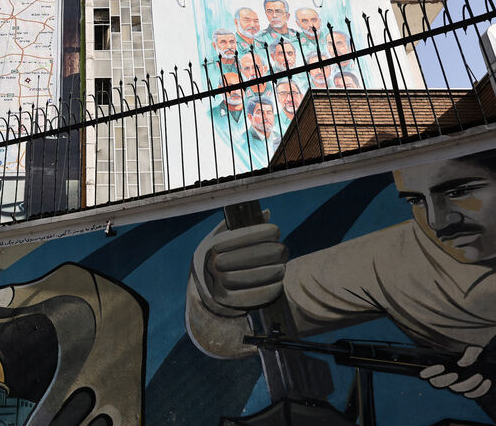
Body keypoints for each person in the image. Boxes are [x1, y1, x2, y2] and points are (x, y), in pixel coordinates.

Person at [186, 151, 496, 401]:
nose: (438, 220)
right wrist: (213, 293)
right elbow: (240, 327)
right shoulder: (391, 261)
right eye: (416, 200)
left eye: (460, 191)